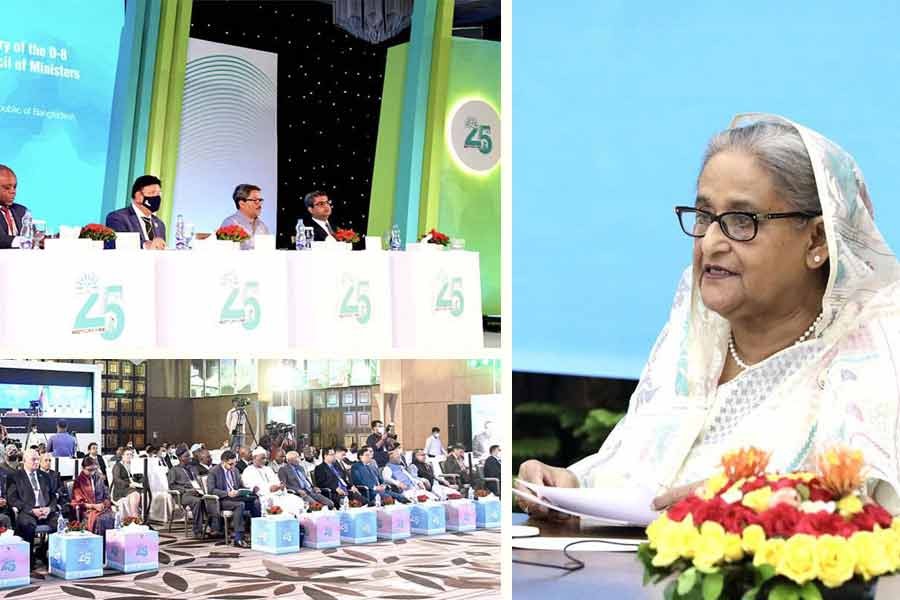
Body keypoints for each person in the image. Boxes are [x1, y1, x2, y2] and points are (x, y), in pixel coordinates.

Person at [516, 113, 900, 518]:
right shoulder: (697, 330)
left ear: (817, 239)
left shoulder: (876, 348)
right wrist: (573, 485)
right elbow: (645, 477)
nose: (711, 242)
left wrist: (745, 507)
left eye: (741, 220)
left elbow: (873, 510)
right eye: (704, 217)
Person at [8, 449, 58, 563]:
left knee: (59, 525)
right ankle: (28, 561)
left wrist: (49, 508)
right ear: (24, 461)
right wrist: (31, 510)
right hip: (27, 511)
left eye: (38, 459)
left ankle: (44, 552)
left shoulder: (45, 476)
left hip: (45, 510)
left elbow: (53, 496)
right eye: (33, 459)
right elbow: (12, 499)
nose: (37, 462)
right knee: (27, 525)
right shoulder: (15, 476)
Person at [205, 450, 260, 548]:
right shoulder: (214, 471)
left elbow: (240, 486)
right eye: (230, 464)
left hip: (235, 497)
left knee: (255, 501)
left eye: (234, 463)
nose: (233, 466)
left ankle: (257, 533)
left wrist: (250, 490)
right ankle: (238, 538)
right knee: (240, 505)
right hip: (222, 500)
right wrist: (227, 493)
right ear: (223, 462)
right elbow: (211, 490)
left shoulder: (235, 470)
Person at [105, 174, 167, 249]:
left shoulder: (160, 224)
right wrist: (146, 245)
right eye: (152, 193)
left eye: (158, 194)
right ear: (138, 196)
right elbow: (118, 245)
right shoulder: (117, 218)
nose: (156, 198)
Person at [242, 448, 307, 515]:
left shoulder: (268, 469)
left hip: (278, 494)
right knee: (281, 506)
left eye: (266, 458)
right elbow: (252, 488)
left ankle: (296, 523)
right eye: (262, 458)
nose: (265, 460)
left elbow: (277, 482)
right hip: (264, 497)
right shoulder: (248, 471)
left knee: (296, 500)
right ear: (254, 457)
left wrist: (280, 487)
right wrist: (270, 489)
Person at [71, 456, 115, 537]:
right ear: (83, 468)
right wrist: (94, 506)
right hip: (88, 510)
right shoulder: (78, 481)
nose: (92, 472)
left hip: (101, 507)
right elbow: (77, 502)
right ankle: (99, 545)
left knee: (113, 517)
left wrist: (104, 503)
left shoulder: (99, 478)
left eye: (94, 470)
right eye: (89, 470)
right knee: (101, 520)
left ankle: (110, 546)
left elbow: (106, 495)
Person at [167, 446, 206, 536]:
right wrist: (186, 490)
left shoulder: (193, 468)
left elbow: (199, 480)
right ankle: (197, 530)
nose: (189, 458)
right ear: (180, 458)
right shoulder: (174, 470)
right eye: (186, 456)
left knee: (210, 499)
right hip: (183, 495)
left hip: (198, 492)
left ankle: (215, 528)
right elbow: (172, 486)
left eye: (189, 456)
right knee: (197, 501)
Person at [221, 184, 270, 250]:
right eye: (255, 200)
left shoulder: (262, 226)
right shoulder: (230, 224)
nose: (259, 204)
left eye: (260, 200)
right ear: (242, 204)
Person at [0, 165, 29, 250]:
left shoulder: (21, 210)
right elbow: (1, 239)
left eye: (14, 187)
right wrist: (23, 241)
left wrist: (48, 240)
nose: (13, 191)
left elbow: (33, 235)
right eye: (7, 188)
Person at [111, 448, 143, 518]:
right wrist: (128, 484)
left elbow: (139, 477)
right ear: (122, 456)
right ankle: (134, 517)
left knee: (144, 493)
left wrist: (139, 482)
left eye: (131, 455)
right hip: (121, 489)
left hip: (133, 486)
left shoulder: (134, 466)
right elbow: (117, 479)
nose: (129, 456)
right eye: (127, 454)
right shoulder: (118, 466)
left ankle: (144, 516)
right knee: (135, 494)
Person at [39, 453, 69, 519]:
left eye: (50, 460)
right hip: (44, 501)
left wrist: (58, 493)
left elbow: (61, 487)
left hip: (56, 498)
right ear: (40, 462)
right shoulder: (36, 474)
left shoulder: (55, 474)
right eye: (46, 460)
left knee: (68, 507)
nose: (48, 462)